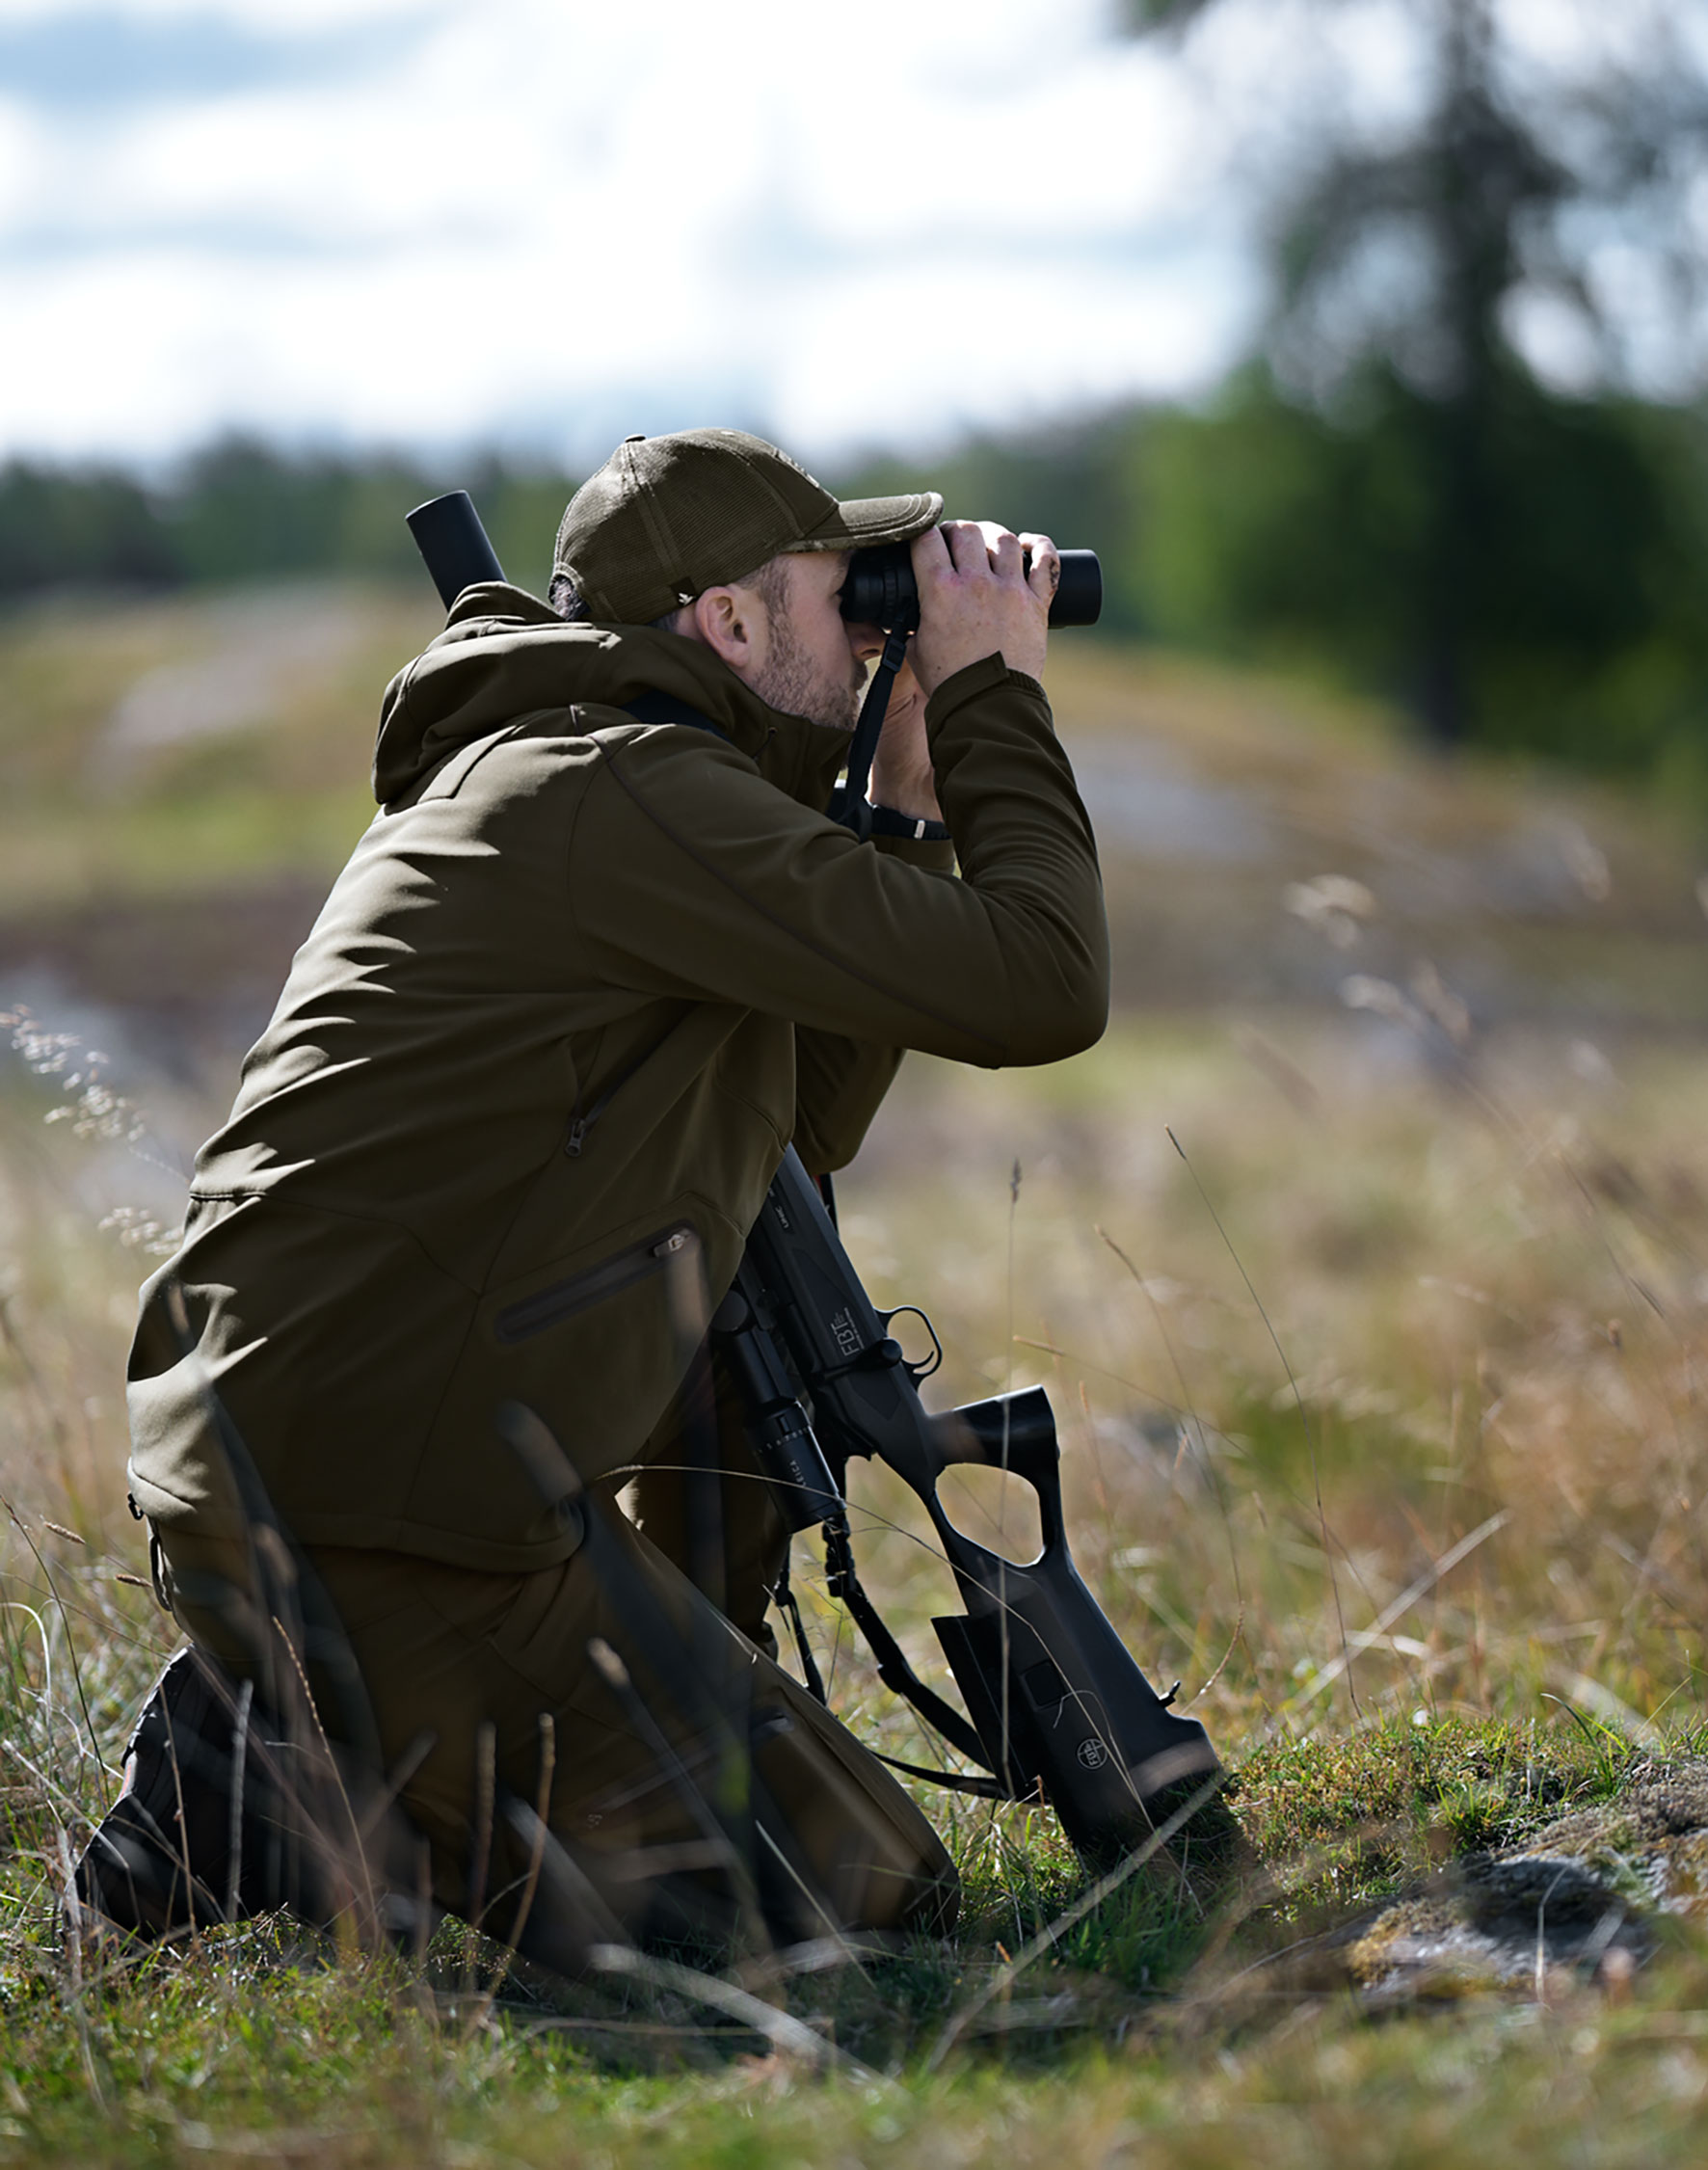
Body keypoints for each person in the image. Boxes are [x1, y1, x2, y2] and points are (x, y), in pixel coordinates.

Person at [81, 428, 1109, 1968]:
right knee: (854, 1895)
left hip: (366, 1463)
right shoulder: (618, 791)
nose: (883, 630)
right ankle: (281, 1779)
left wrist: (897, 810)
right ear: (731, 622)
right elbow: (1044, 986)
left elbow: (792, 1139)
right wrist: (988, 701)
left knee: (822, 1851)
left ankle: (367, 1723)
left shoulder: (609, 782)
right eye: (853, 596)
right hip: (383, 1505)